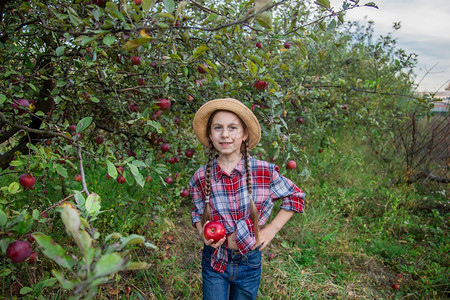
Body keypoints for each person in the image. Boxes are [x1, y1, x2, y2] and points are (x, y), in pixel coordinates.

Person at [189, 98, 305, 300]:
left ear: (244, 135)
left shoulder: (263, 171)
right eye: (218, 128)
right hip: (215, 259)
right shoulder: (201, 176)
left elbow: (295, 196)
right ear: (210, 134)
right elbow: (198, 212)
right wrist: (202, 233)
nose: (225, 134)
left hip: (249, 261)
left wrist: (272, 229)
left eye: (232, 128)